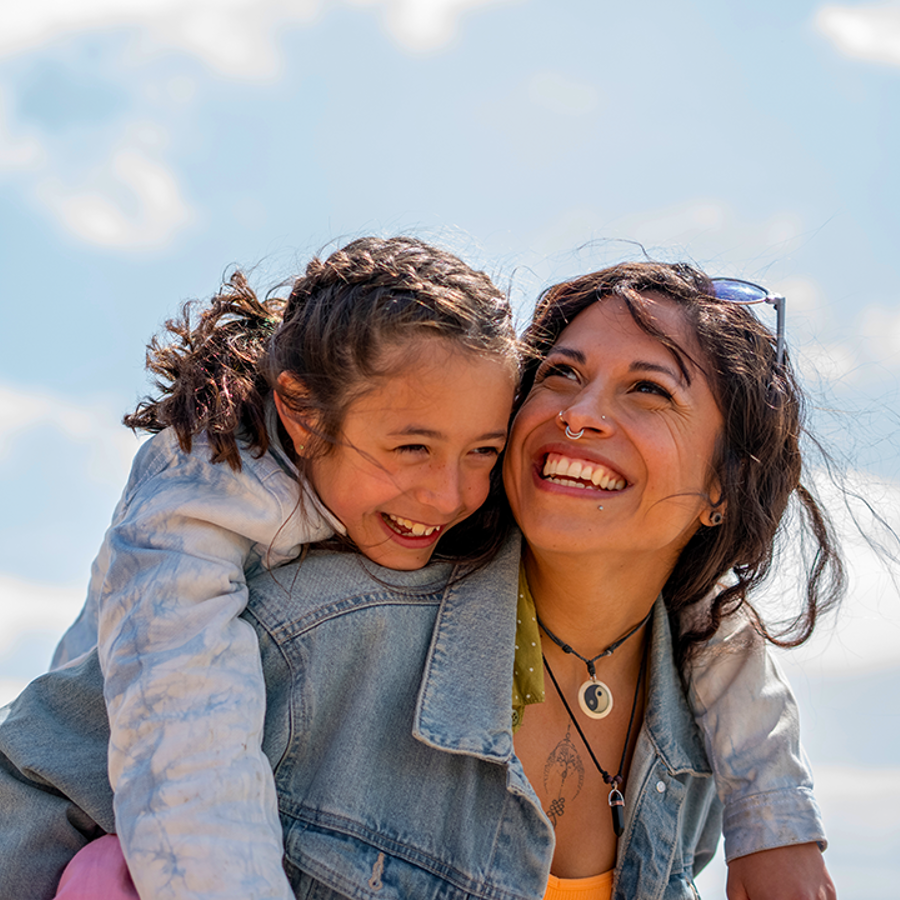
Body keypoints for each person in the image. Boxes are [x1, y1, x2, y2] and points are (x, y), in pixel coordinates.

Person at [0, 259, 838, 900]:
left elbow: (717, 622)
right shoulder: (305, 630)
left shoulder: (700, 741)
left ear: (726, 486)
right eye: (561, 373)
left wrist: (775, 826)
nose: (580, 412)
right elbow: (35, 793)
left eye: (649, 389)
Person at [41, 235, 521, 900]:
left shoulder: (437, 497)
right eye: (412, 447)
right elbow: (189, 757)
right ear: (301, 413)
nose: (450, 495)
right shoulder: (197, 491)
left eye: (484, 451)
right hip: (63, 809)